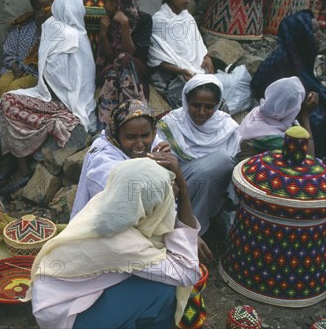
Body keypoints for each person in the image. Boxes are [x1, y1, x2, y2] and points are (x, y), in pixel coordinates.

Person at [30, 157, 201, 329]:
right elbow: (187, 272)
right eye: (166, 196)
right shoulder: (122, 243)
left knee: (156, 281)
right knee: (164, 291)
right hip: (66, 316)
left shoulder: (106, 206)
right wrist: (184, 192)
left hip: (58, 299)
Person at [0, 0, 97, 194]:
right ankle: (10, 161)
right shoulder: (79, 35)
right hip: (71, 98)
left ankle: (21, 168)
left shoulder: (63, 34)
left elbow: (53, 78)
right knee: (7, 97)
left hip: (64, 102)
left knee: (9, 102)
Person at [157, 74, 239, 251]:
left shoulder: (227, 126)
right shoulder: (171, 123)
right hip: (177, 185)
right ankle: (187, 234)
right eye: (195, 105)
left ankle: (192, 234)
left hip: (213, 191)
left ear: (217, 105)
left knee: (220, 163)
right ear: (186, 101)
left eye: (209, 107)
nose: (201, 112)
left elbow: (232, 166)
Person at [71, 99, 170, 218]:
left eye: (145, 135)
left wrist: (169, 167)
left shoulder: (156, 144)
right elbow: (120, 198)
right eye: (130, 137)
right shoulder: (102, 157)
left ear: (153, 132)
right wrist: (153, 169)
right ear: (116, 135)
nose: (139, 144)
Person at [251, 9, 325, 158]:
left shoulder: (299, 56)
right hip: (289, 117)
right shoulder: (280, 65)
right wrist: (306, 112)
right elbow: (279, 105)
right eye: (315, 31)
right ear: (301, 35)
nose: (321, 35)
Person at [0, 0, 57, 113]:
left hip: (37, 74)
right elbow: (9, 52)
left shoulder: (57, 29)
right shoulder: (23, 25)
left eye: (46, 7)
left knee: (14, 87)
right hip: (16, 69)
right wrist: (17, 71)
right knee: (0, 86)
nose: (42, 11)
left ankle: (4, 120)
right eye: (38, 8)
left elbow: (46, 55)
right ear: (34, 8)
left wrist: (41, 27)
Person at [148, 0, 215, 108]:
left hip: (193, 72)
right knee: (193, 104)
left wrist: (206, 56)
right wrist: (181, 71)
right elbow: (156, 58)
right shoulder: (159, 21)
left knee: (214, 100)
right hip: (169, 78)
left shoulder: (187, 17)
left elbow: (197, 44)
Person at [96, 0, 153, 125]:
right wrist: (103, 35)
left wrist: (125, 25)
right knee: (112, 76)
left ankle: (133, 111)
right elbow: (109, 58)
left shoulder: (143, 19)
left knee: (124, 58)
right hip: (115, 67)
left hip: (138, 69)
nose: (104, 6)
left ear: (118, 2)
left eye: (107, 2)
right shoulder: (107, 21)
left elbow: (132, 53)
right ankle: (106, 123)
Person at [238, 76, 318, 161]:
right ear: (292, 108)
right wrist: (304, 117)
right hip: (255, 170)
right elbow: (308, 160)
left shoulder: (262, 110)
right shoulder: (273, 139)